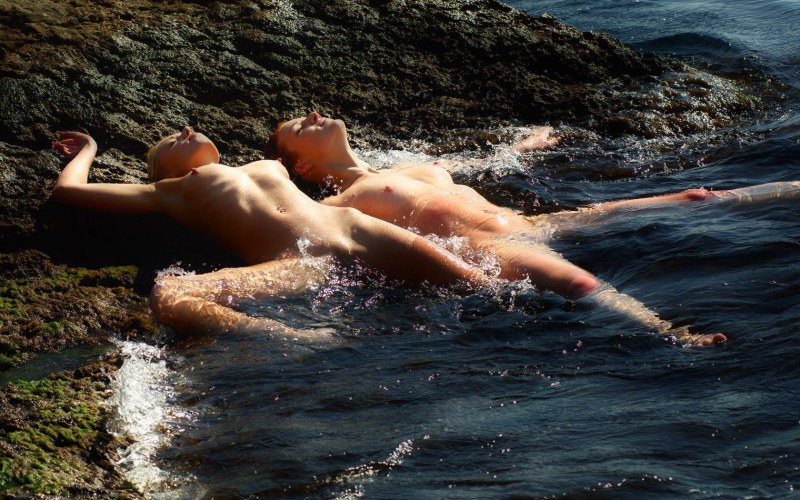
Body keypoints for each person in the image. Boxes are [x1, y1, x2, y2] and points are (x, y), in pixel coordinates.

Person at [264, 112, 794, 346]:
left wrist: (527, 144)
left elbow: (483, 165)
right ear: (302, 168)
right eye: (297, 126)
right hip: (491, 246)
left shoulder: (405, 166)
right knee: (581, 285)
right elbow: (313, 233)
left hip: (534, 222)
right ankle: (675, 334)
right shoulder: (341, 200)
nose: (312, 114)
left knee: (697, 197)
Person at [50, 128, 486, 339]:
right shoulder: (167, 192)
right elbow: (69, 192)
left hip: (357, 227)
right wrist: (88, 149)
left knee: (480, 287)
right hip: (301, 261)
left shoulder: (256, 165)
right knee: (169, 294)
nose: (185, 129)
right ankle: (295, 339)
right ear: (161, 168)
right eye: (169, 140)